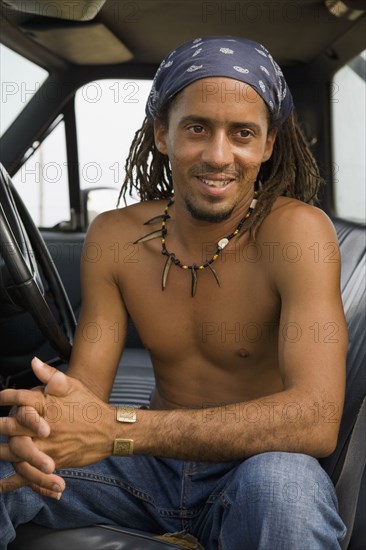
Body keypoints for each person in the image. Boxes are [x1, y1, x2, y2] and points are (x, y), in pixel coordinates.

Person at [0, 36, 347, 549]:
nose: (218, 155)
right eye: (197, 128)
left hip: (252, 471)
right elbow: (88, 394)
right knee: (9, 452)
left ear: (268, 145)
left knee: (286, 488)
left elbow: (315, 420)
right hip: (142, 472)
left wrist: (119, 429)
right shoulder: (115, 236)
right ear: (162, 133)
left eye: (243, 133)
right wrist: (44, 423)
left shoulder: (298, 235)